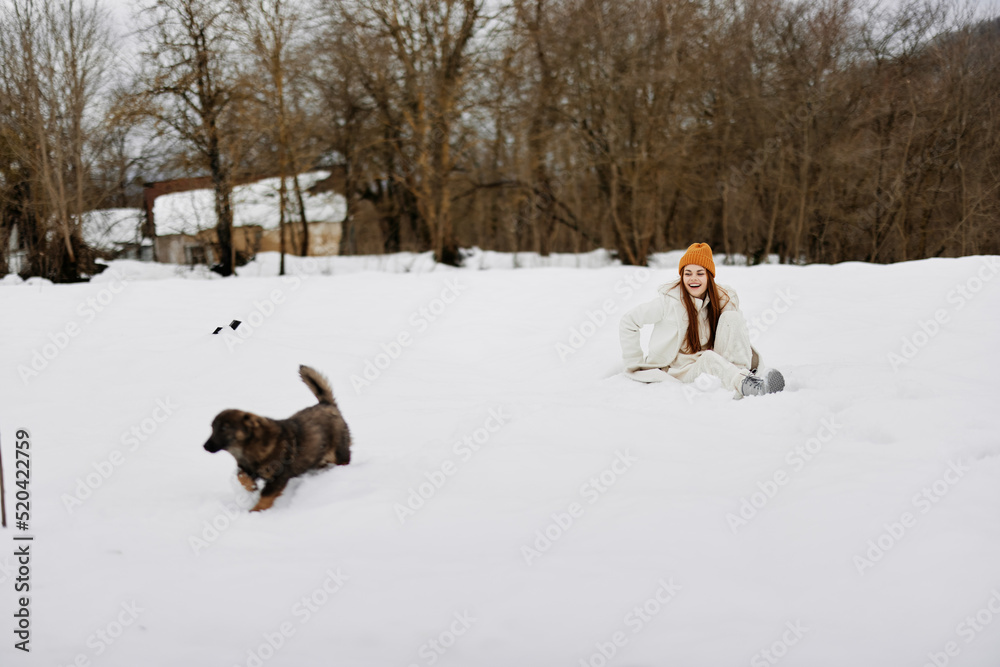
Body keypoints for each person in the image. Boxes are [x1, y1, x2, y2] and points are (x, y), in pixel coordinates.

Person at [618, 242, 784, 398]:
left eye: (700, 273)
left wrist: (728, 305)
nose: (693, 278)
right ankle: (745, 385)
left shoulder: (722, 299)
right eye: (688, 273)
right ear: (682, 276)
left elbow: (735, 335)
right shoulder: (668, 302)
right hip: (682, 370)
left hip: (716, 361)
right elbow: (629, 321)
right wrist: (635, 365)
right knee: (709, 359)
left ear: (709, 277)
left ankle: (744, 381)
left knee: (732, 319)